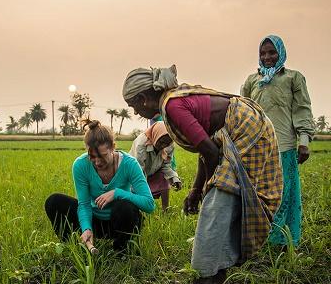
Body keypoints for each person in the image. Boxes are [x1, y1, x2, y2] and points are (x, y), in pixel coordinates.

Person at [122, 65, 283, 284]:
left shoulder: (173, 107)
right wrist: (196, 189)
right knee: (220, 195)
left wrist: (205, 189)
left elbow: (210, 152)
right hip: (240, 127)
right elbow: (205, 148)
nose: (135, 113)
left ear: (142, 98)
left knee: (220, 196)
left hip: (246, 127)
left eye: (133, 106)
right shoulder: (171, 102)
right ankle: (217, 265)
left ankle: (211, 270)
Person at [241, 35, 315, 247]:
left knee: (284, 194)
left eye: (272, 52)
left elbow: (302, 110)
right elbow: (243, 112)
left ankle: (281, 241)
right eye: (263, 53)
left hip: (284, 146)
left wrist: (304, 141)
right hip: (257, 148)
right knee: (258, 195)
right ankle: (258, 240)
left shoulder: (293, 78)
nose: (267, 57)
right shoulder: (251, 81)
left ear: (281, 53)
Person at [45, 120, 155, 253]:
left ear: (113, 147)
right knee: (54, 201)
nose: (97, 162)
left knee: (125, 206)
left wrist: (117, 193)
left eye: (102, 156)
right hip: (95, 220)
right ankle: (76, 245)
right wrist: (86, 227)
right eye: (92, 156)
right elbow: (84, 204)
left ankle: (121, 250)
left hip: (120, 221)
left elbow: (149, 204)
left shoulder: (129, 164)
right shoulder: (80, 165)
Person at [129, 121, 182, 211]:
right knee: (135, 196)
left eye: (167, 143)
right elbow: (139, 170)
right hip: (135, 173)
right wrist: (145, 194)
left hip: (152, 171)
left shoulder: (169, 146)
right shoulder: (141, 144)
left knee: (163, 177)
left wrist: (174, 178)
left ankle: (165, 209)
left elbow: (166, 165)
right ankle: (138, 209)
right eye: (161, 142)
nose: (163, 146)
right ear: (156, 135)